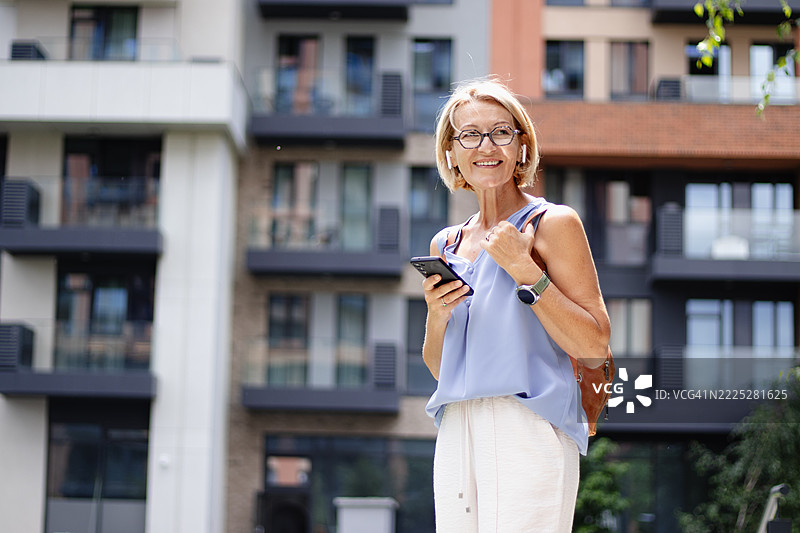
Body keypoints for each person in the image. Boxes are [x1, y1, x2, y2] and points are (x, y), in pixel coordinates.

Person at [421, 77, 611, 532]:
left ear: (521, 144)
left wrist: (526, 271)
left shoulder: (553, 223)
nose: (486, 145)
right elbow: (439, 368)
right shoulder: (445, 244)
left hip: (529, 422)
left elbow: (595, 342)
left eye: (500, 132)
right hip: (456, 428)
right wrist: (436, 315)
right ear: (452, 151)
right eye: (470, 134)